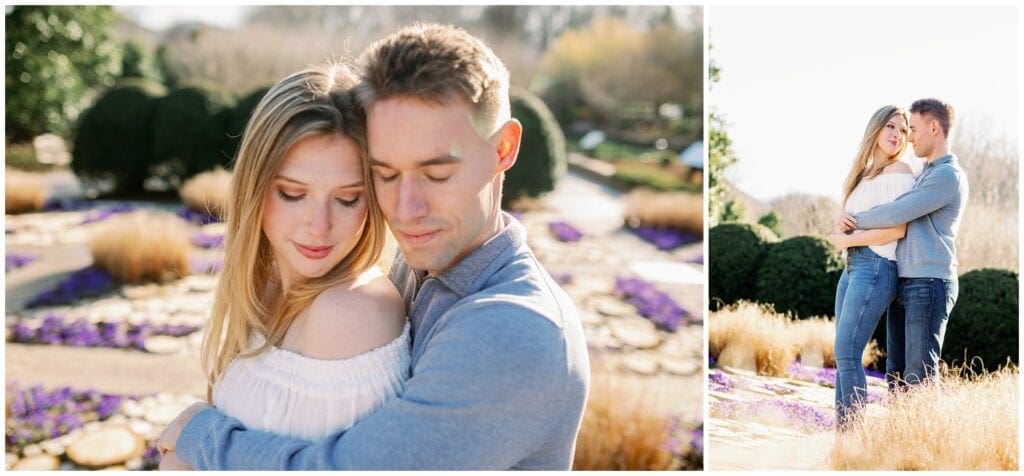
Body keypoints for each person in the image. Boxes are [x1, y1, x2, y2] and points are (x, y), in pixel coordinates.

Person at [158, 23, 590, 470]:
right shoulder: (418, 263)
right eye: (384, 174)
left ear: (504, 148)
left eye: (436, 174)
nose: (405, 209)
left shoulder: (515, 330)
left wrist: (202, 437)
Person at [837, 98, 968, 392]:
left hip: (930, 281)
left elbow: (897, 213)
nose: (908, 137)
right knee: (895, 372)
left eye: (914, 129)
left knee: (918, 376)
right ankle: (899, 438)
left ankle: (921, 438)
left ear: (934, 127)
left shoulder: (947, 175)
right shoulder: (926, 172)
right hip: (906, 278)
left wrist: (852, 224)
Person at [826, 105, 914, 429]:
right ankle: (844, 440)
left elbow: (897, 229)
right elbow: (849, 220)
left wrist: (848, 240)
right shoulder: (861, 175)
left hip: (877, 266)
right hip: (851, 270)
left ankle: (853, 440)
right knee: (843, 356)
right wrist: (840, 228)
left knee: (847, 353)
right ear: (875, 130)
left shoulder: (901, 173)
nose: (896, 135)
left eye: (903, 130)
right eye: (890, 127)